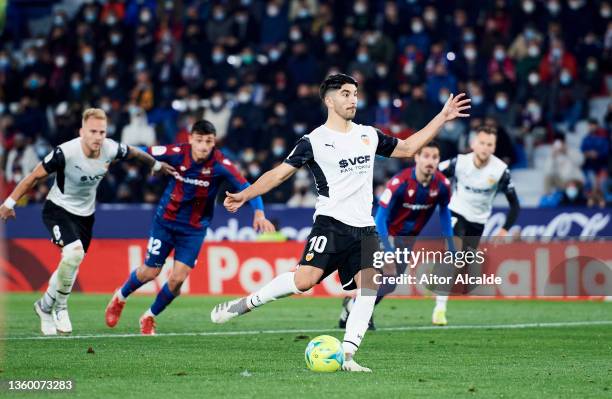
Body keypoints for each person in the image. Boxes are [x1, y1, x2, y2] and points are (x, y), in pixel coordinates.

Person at [209, 73, 470, 372]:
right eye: (345, 94)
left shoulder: (368, 135)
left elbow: (409, 148)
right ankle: (244, 304)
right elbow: (279, 174)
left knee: (369, 289)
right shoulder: (314, 141)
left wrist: (442, 117)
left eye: (355, 93)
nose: (353, 99)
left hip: (365, 228)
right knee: (303, 281)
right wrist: (245, 195)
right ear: (329, 100)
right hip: (330, 224)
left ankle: (348, 356)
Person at [0, 108, 174, 335]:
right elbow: (34, 176)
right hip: (57, 209)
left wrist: (156, 165)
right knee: (73, 253)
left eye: (102, 131)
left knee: (71, 261)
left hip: (85, 217)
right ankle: (60, 307)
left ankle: (44, 306)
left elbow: (134, 153)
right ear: (82, 131)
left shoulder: (110, 148)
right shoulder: (65, 152)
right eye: (93, 131)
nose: (98, 137)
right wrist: (9, 203)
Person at [104, 120, 275, 335]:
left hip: (194, 229)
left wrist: (259, 212)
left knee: (176, 281)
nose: (204, 146)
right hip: (166, 221)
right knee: (150, 272)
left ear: (214, 142)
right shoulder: (176, 152)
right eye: (200, 140)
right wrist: (112, 156)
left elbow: (246, 187)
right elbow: (141, 152)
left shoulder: (220, 164)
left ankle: (149, 316)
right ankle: (120, 297)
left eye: (209, 141)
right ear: (191, 139)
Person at [338, 140, 454, 330]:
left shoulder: (442, 185)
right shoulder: (400, 183)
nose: (430, 161)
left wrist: (450, 242)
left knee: (389, 284)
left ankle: (351, 306)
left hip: (407, 239)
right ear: (416, 157)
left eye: (434, 157)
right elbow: (380, 218)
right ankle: (361, 315)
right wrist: (386, 249)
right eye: (426, 156)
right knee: (378, 276)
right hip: (384, 233)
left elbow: (444, 212)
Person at [433, 125, 520, 325]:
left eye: (490, 144)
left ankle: (441, 280)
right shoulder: (460, 162)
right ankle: (440, 308)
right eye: (482, 143)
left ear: (494, 147)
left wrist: (505, 228)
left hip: (478, 222)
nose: (485, 148)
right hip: (456, 212)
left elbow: (515, 205)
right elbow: (435, 174)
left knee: (463, 263)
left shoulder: (500, 171)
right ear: (473, 144)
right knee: (453, 254)